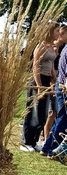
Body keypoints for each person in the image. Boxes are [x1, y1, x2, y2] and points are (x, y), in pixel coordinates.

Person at [21, 22, 59, 151]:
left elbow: (52, 67)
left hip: (47, 79)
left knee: (42, 112)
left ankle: (35, 140)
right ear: (50, 31)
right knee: (33, 112)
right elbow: (35, 66)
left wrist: (54, 81)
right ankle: (26, 142)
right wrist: (39, 87)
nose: (58, 33)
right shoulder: (41, 46)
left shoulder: (51, 47)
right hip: (38, 79)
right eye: (56, 31)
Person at [40, 25, 67, 157]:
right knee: (62, 118)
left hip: (60, 85)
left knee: (60, 118)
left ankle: (46, 148)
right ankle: (53, 150)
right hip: (64, 88)